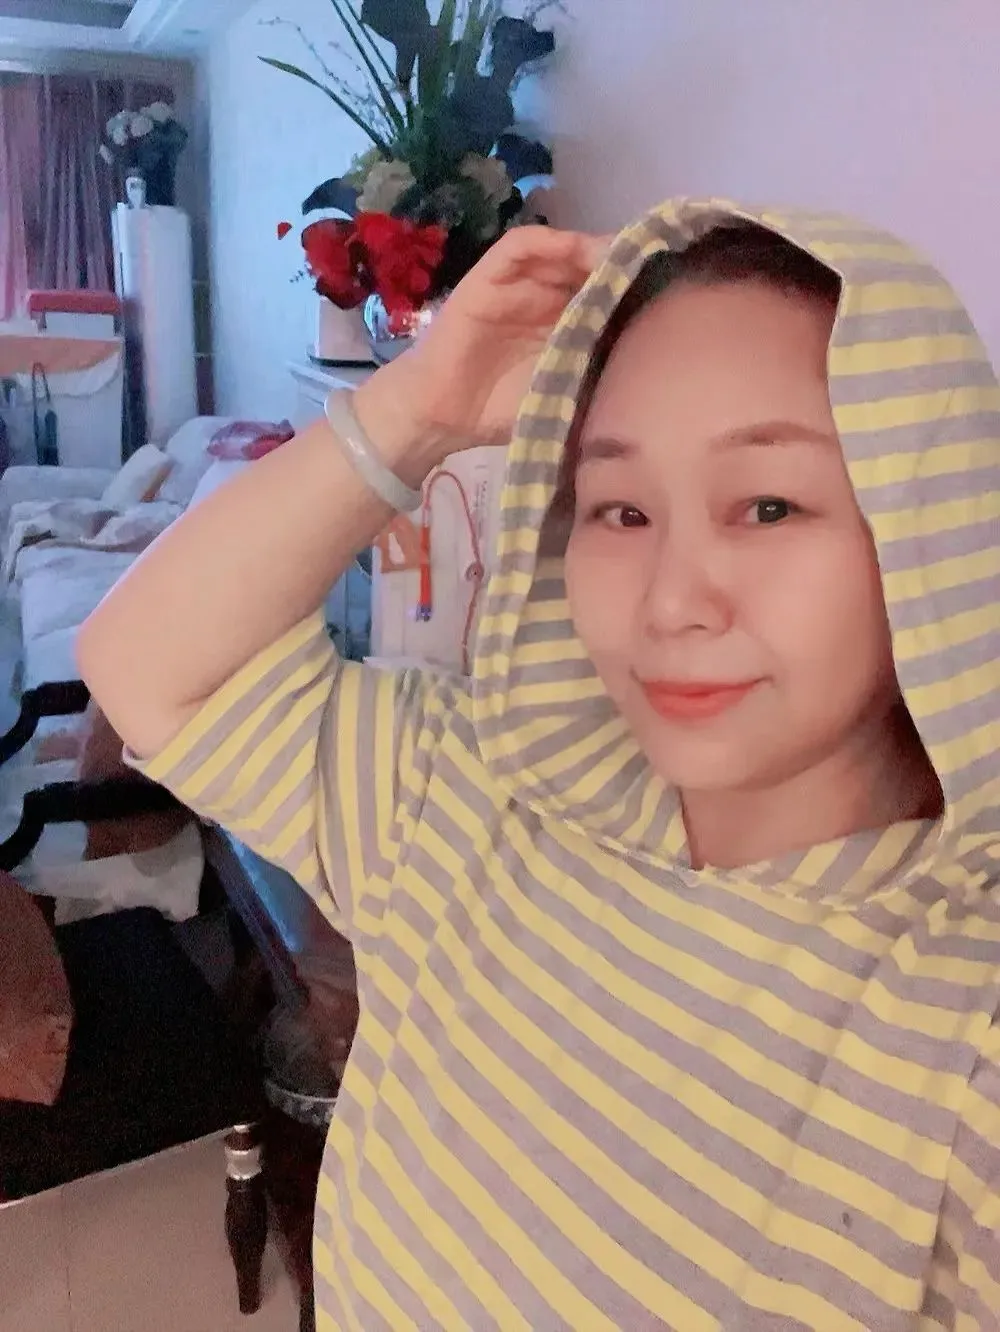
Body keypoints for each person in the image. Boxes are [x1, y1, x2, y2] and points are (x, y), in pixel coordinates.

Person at [78, 200, 1000, 1329]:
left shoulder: (961, 1026)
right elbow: (146, 667)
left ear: (929, 529)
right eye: (620, 508)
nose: (670, 602)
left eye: (768, 505)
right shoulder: (470, 797)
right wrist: (421, 408)